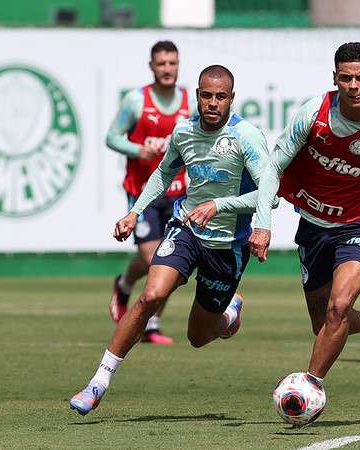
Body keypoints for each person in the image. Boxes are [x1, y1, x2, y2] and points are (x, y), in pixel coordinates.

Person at [71, 65, 271, 415]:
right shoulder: (184, 132)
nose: (212, 103)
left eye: (220, 97)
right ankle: (97, 383)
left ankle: (227, 315)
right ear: (196, 95)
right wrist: (135, 212)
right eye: (206, 95)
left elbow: (270, 193)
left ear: (232, 99)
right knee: (151, 295)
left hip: (226, 247)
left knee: (198, 337)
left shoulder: (247, 137)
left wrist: (227, 208)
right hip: (186, 229)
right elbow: (163, 174)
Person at [248, 43, 360, 396]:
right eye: (346, 78)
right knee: (323, 322)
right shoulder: (313, 114)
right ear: (335, 79)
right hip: (313, 228)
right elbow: (274, 167)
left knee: (339, 307)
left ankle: (309, 387)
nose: (354, 86)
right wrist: (262, 223)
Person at [106, 40, 192, 344]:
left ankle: (152, 323)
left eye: (172, 63)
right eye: (161, 63)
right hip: (143, 193)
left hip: (179, 193)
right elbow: (112, 137)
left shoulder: (188, 102)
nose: (167, 69)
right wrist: (137, 149)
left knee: (169, 265)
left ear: (178, 65)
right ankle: (126, 282)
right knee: (153, 259)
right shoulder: (136, 101)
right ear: (152, 66)